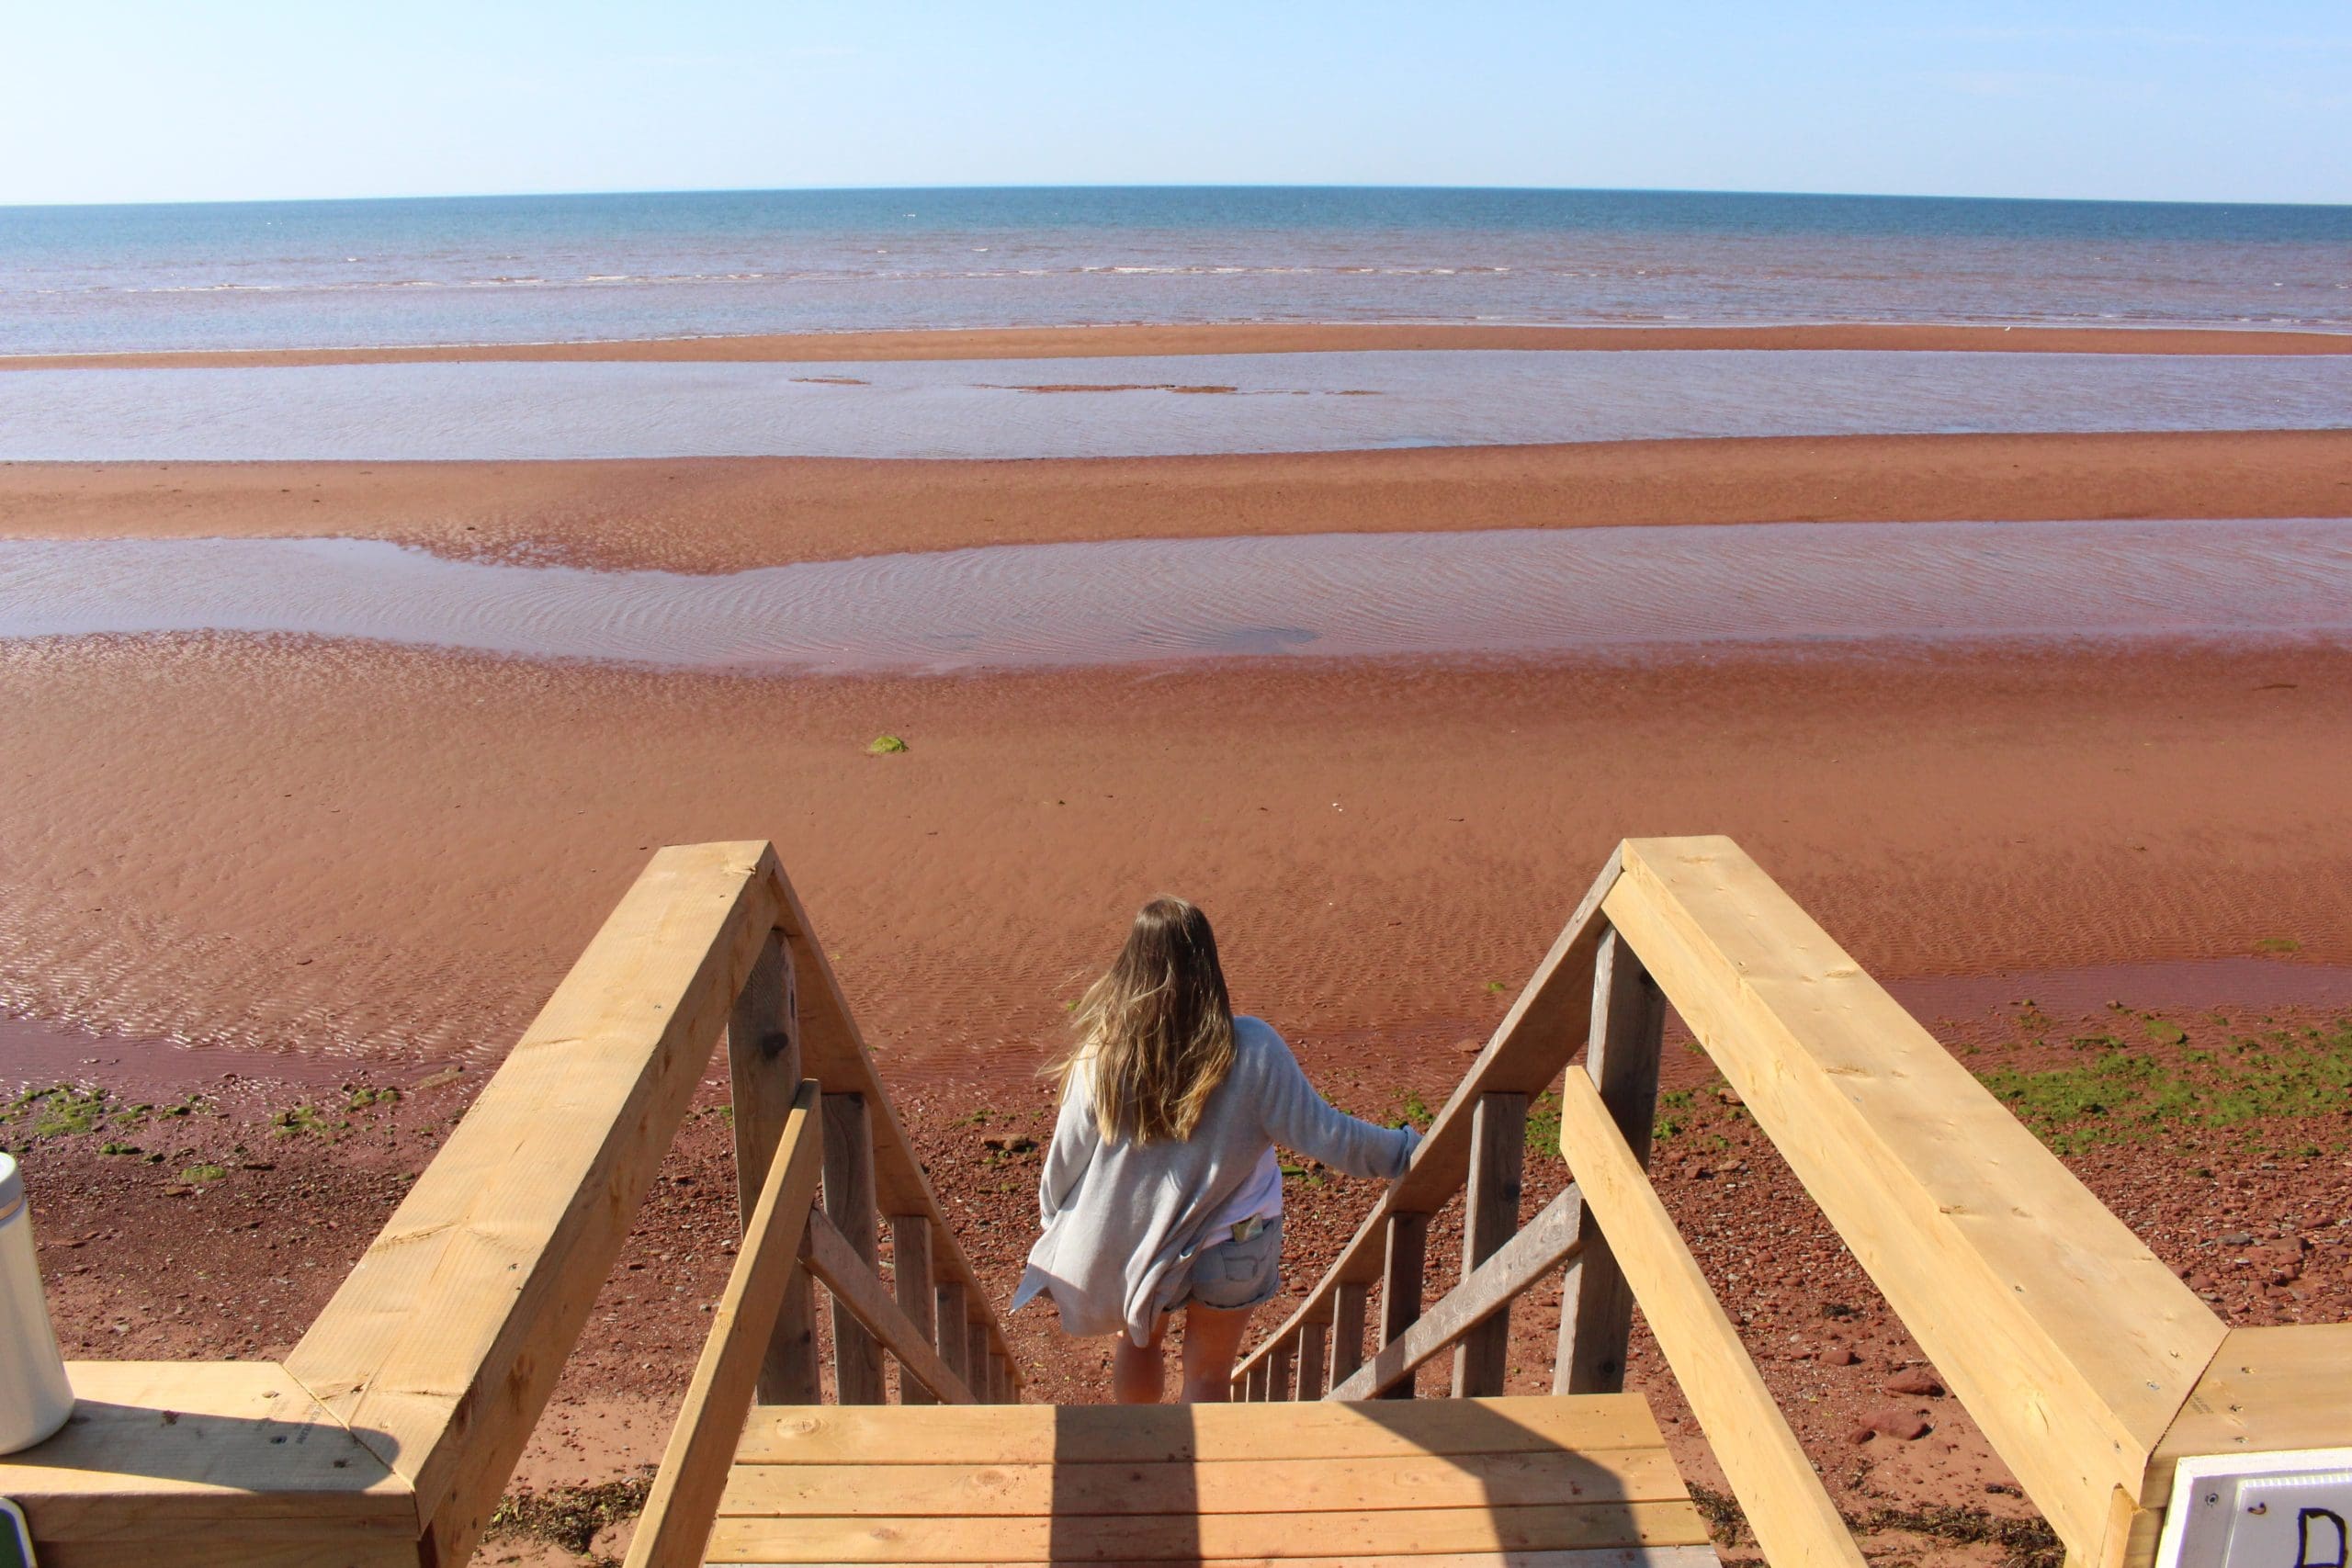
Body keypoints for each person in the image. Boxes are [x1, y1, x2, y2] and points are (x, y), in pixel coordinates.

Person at [1012, 896, 1421, 1403]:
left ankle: (1143, 1467)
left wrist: (1061, 1228)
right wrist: (1406, 1149)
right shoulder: (1251, 1048)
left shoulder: (1104, 1056)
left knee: (1140, 1346)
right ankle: (1194, 1468)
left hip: (1143, 1243)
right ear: (1208, 965)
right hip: (1236, 1242)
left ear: (1131, 967)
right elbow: (1329, 1135)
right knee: (1208, 1374)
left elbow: (1063, 1169)